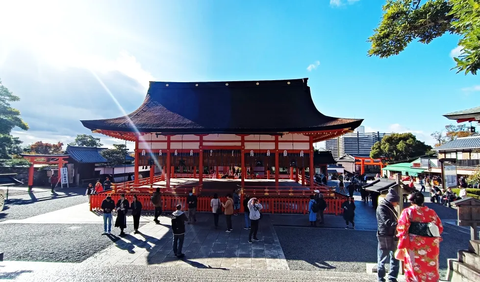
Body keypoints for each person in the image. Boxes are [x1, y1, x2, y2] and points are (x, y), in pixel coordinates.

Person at [396, 192, 443, 282]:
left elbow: (402, 227)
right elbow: (439, 227)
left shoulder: (408, 211)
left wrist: (402, 240)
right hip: (431, 243)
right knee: (429, 265)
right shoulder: (431, 212)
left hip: (414, 243)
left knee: (414, 265)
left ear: (412, 202)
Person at [376, 189, 400, 282]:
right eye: (396, 202)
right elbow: (387, 222)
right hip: (384, 234)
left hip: (393, 234)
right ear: (392, 200)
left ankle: (392, 277)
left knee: (395, 257)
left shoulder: (389, 206)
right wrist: (399, 224)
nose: (397, 204)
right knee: (383, 258)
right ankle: (381, 278)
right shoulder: (382, 207)